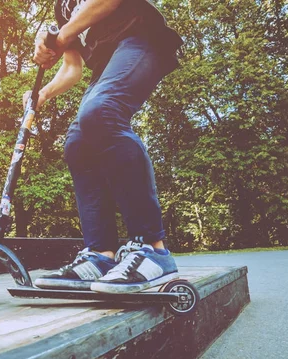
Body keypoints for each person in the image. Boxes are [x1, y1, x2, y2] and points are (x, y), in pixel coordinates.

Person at [24, 0, 183, 294]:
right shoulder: (62, 9)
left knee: (101, 112)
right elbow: (72, 67)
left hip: (141, 40)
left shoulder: (65, 23)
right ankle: (101, 256)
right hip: (105, 65)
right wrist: (42, 94)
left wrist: (59, 37)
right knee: (77, 143)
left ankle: (153, 249)